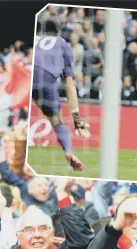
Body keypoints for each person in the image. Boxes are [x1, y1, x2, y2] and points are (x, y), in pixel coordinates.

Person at [32, 19, 90, 171]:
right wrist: (76, 116)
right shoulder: (63, 44)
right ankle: (69, 152)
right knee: (57, 122)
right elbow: (69, 83)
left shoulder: (35, 39)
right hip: (45, 78)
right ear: (58, 32)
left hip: (28, 73)